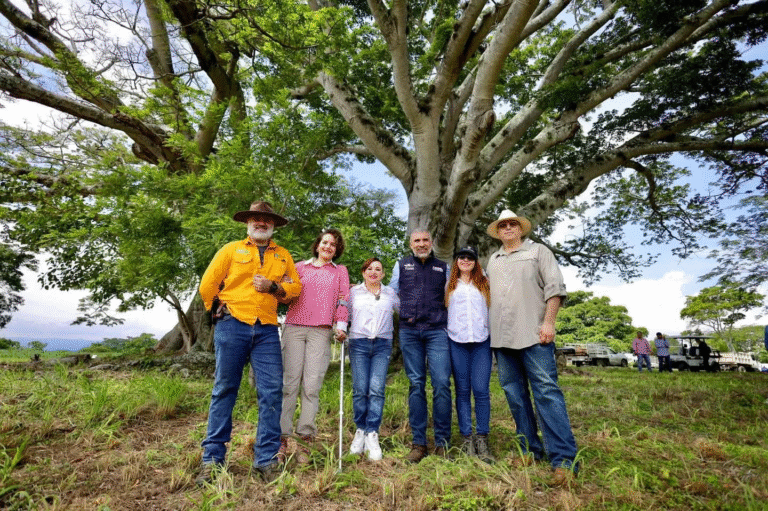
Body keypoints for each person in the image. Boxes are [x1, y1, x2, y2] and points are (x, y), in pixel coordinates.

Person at [197, 201, 302, 485]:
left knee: (271, 391)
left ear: (273, 225)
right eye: (256, 218)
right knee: (224, 389)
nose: (260, 222)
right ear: (248, 222)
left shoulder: (283, 255)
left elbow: (295, 288)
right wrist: (215, 306)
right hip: (233, 325)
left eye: (266, 220)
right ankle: (212, 459)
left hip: (267, 329)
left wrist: (275, 287)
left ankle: (265, 459)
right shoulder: (231, 249)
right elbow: (208, 283)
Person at [485, 210, 578, 487]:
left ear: (521, 229)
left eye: (513, 223)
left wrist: (549, 323)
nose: (509, 227)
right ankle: (530, 451)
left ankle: (563, 459)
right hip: (502, 338)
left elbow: (555, 288)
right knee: (515, 395)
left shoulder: (538, 251)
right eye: (503, 225)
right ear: (498, 232)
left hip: (535, 334)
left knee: (547, 394)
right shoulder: (494, 259)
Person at [279, 228, 350, 464]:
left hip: (321, 330)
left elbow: (343, 299)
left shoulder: (340, 272)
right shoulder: (299, 267)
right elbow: (286, 294)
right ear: (318, 244)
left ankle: (305, 437)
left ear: (337, 249)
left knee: (311, 386)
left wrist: (341, 325)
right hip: (294, 328)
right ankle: (282, 437)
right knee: (289, 384)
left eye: (333, 244)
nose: (328, 247)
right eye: (325, 242)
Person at [390, 229, 451, 463]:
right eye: (417, 240)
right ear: (410, 244)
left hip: (437, 331)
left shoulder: (443, 267)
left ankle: (443, 442)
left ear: (431, 243)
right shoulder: (401, 265)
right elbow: (392, 293)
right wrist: (405, 312)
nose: (422, 244)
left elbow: (450, 295)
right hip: (410, 332)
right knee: (416, 384)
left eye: (425, 240)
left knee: (442, 384)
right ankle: (419, 443)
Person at [347, 257, 399, 461]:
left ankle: (372, 432)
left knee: (376, 389)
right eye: (369, 268)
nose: (373, 272)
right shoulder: (353, 293)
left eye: (378, 269)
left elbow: (405, 312)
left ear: (383, 274)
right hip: (358, 343)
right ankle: (360, 430)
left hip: (382, 344)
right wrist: (341, 329)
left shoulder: (390, 294)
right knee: (360, 389)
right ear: (363, 272)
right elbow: (344, 315)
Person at [445, 246, 494, 463]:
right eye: (462, 257)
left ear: (475, 261)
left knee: (482, 390)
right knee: (462, 391)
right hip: (457, 342)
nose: (466, 260)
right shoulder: (449, 284)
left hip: (482, 342)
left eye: (470, 258)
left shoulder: (485, 283)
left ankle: (482, 437)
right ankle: (467, 438)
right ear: (456, 261)